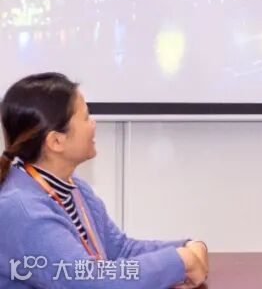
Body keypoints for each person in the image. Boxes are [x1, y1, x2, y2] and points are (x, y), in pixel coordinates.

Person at [0, 73, 208, 289]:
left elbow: (119, 250)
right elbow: (90, 281)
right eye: (86, 117)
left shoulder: (73, 187)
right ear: (56, 141)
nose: (93, 124)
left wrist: (187, 247)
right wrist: (179, 261)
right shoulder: (23, 210)